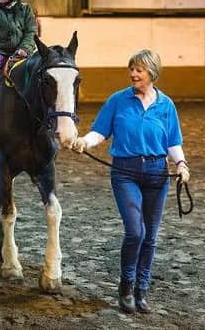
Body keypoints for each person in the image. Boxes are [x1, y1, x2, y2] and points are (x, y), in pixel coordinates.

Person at [71, 49, 190, 314]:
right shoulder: (118, 100)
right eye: (132, 69)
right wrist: (84, 142)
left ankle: (142, 289)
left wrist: (181, 164)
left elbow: (173, 141)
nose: (133, 74)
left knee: (151, 237)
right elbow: (100, 132)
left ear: (152, 73)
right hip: (125, 172)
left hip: (158, 173)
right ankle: (126, 285)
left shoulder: (166, 105)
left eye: (139, 70)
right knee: (136, 231)